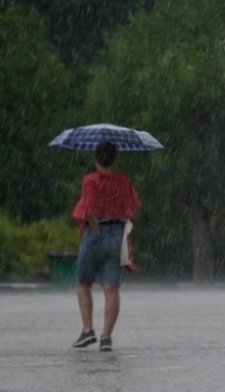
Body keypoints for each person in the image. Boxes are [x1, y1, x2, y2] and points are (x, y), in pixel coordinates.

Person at [70, 140, 141, 352]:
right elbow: (131, 208)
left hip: (96, 233)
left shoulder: (90, 180)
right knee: (112, 288)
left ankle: (87, 330)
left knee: (83, 282)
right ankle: (107, 337)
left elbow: (86, 206)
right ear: (114, 158)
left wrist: (90, 220)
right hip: (117, 234)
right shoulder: (124, 182)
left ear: (95, 157)